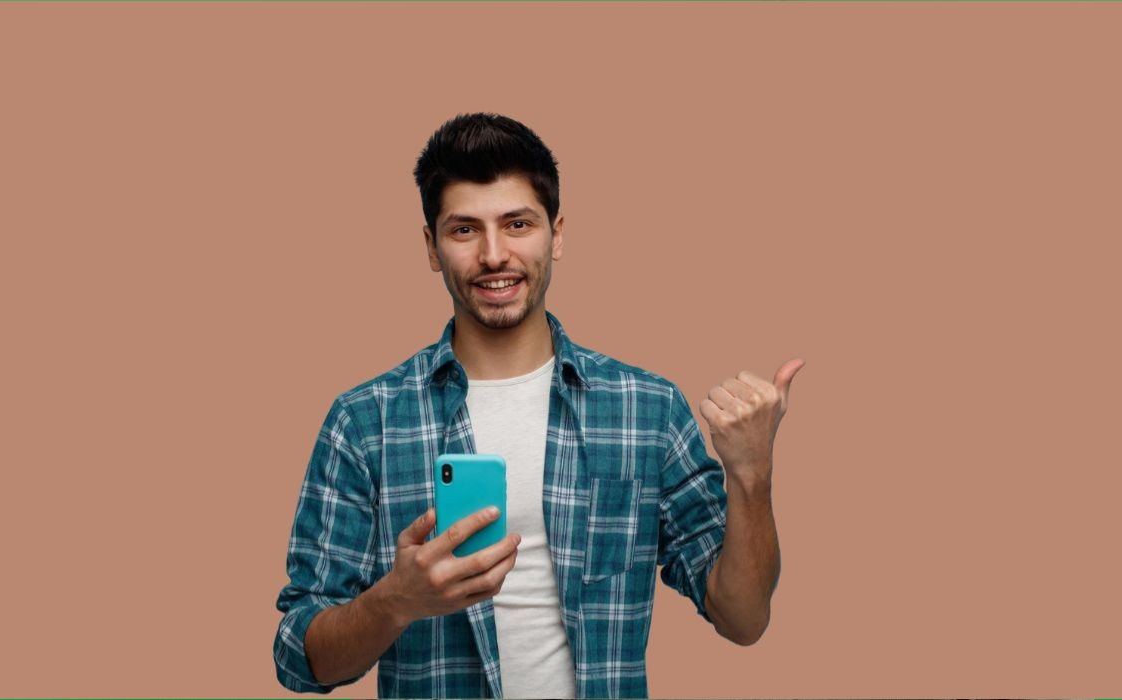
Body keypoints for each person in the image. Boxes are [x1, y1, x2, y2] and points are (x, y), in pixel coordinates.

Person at [272, 113, 802, 699]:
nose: (494, 255)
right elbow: (299, 658)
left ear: (557, 233)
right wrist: (394, 601)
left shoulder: (646, 410)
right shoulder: (364, 423)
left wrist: (752, 475)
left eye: (518, 224)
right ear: (431, 247)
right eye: (464, 230)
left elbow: (743, 619)